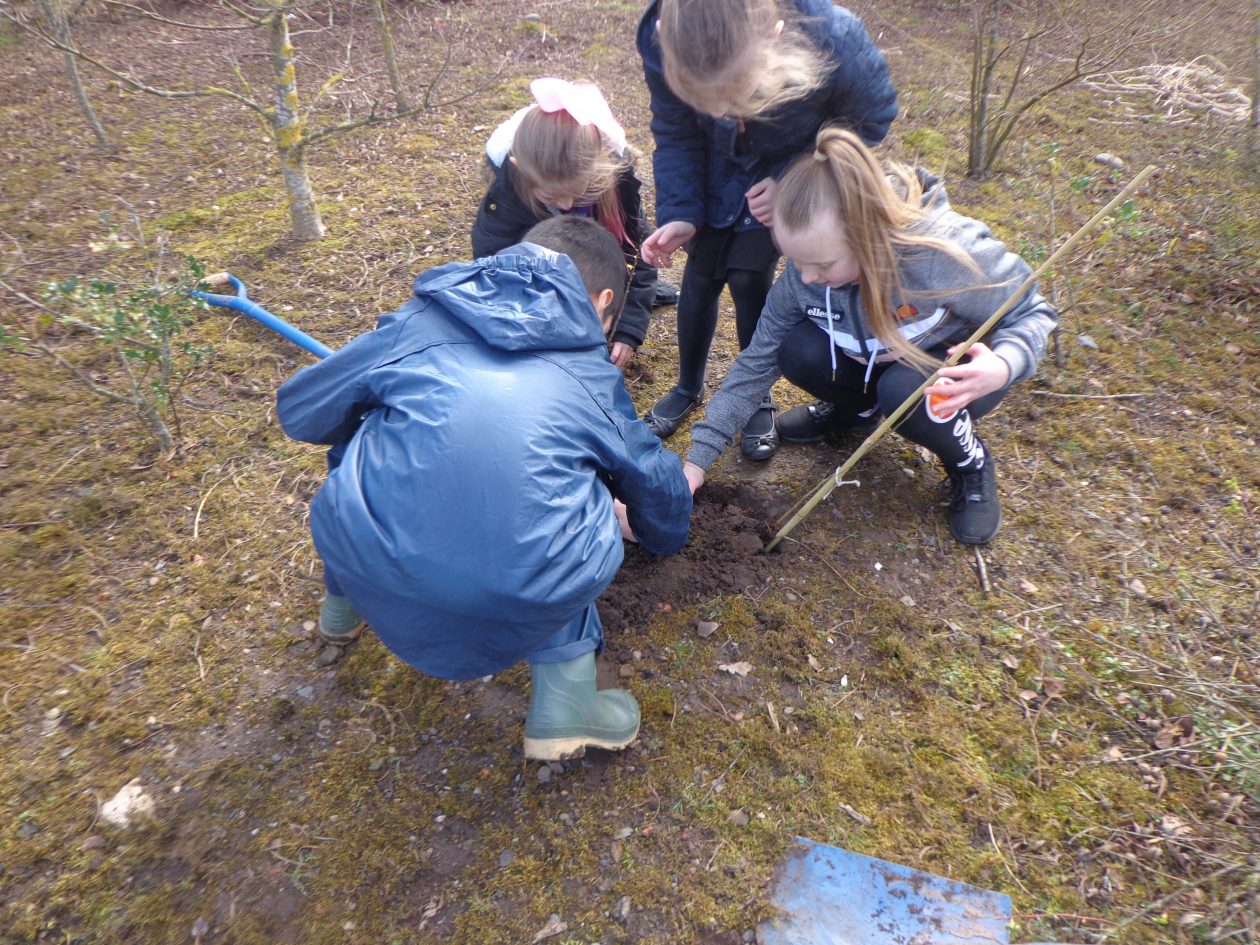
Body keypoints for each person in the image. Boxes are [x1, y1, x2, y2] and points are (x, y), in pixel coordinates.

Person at [276, 216, 692, 761]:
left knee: (361, 446)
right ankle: (565, 708)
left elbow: (302, 410)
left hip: (362, 556)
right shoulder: (589, 378)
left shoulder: (419, 322)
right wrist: (661, 536)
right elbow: (654, 482)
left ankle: (340, 612)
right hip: (511, 591)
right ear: (603, 301)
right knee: (575, 493)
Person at [679, 128, 1059, 544]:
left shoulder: (938, 255)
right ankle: (856, 412)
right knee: (795, 349)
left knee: (904, 390)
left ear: (863, 236)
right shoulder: (804, 276)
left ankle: (970, 463)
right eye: (795, 261)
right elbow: (755, 364)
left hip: (950, 374)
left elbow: (1031, 311)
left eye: (820, 265)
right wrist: (697, 462)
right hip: (872, 359)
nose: (805, 277)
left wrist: (1004, 365)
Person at [636, 0, 898, 461]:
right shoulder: (666, 35)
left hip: (782, 182)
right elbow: (677, 134)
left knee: (748, 280)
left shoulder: (833, 35)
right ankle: (687, 386)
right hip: (711, 178)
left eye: (738, 94)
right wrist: (681, 212)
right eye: (705, 101)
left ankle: (756, 398)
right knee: (701, 276)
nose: (720, 111)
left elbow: (870, 120)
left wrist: (795, 179)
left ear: (776, 36)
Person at [471, 77, 673, 372]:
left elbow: (640, 256)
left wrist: (627, 325)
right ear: (519, 169)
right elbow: (493, 274)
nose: (566, 206)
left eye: (577, 192)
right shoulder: (506, 202)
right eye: (552, 196)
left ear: (598, 167)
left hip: (595, 288)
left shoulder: (614, 187)